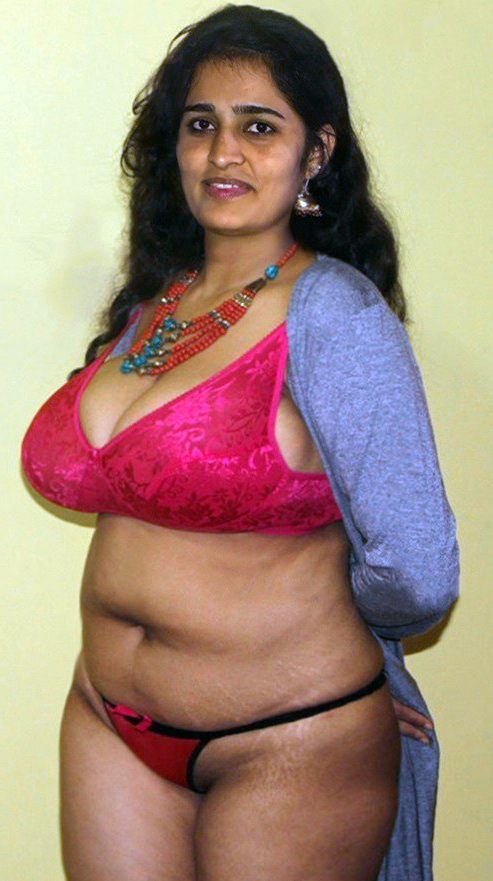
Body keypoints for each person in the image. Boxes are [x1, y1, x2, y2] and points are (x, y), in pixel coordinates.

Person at [21, 5, 459, 880]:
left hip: (287, 738)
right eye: (200, 125)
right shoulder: (153, 305)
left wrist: (362, 650)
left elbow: (418, 568)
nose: (223, 153)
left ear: (315, 151)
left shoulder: (333, 312)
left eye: (259, 127)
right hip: (109, 722)